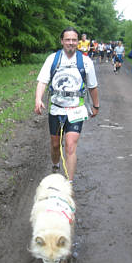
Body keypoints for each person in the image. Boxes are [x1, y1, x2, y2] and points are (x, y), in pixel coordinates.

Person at [35, 27, 99, 182]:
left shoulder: (85, 61)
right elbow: (42, 81)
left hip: (76, 110)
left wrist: (95, 105)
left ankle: (69, 184)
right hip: (56, 109)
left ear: (78, 42)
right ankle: (55, 166)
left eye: (74, 40)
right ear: (62, 41)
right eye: (68, 40)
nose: (71, 43)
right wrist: (38, 99)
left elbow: (92, 86)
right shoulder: (52, 59)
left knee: (70, 146)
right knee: (55, 145)